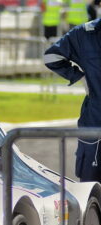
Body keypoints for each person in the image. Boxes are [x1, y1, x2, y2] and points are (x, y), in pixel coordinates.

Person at [44, 18, 101, 183]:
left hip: (94, 118)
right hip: (95, 118)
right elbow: (52, 57)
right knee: (91, 187)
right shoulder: (83, 34)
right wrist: (80, 77)